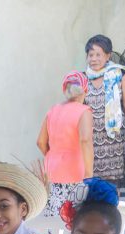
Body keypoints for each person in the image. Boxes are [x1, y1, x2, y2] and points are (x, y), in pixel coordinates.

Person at [84, 34, 125, 189]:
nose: (94, 59)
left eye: (98, 55)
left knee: (112, 183)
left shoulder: (120, 75)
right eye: (90, 55)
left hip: (113, 140)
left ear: (108, 55)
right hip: (89, 140)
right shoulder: (82, 78)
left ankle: (111, 213)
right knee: (91, 183)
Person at [37, 71, 93, 216]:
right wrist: (89, 174)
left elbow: (40, 142)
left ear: (64, 90)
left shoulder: (53, 110)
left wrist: (54, 155)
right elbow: (85, 140)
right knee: (75, 218)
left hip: (52, 172)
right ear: (85, 90)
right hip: (75, 172)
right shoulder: (84, 111)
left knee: (54, 216)